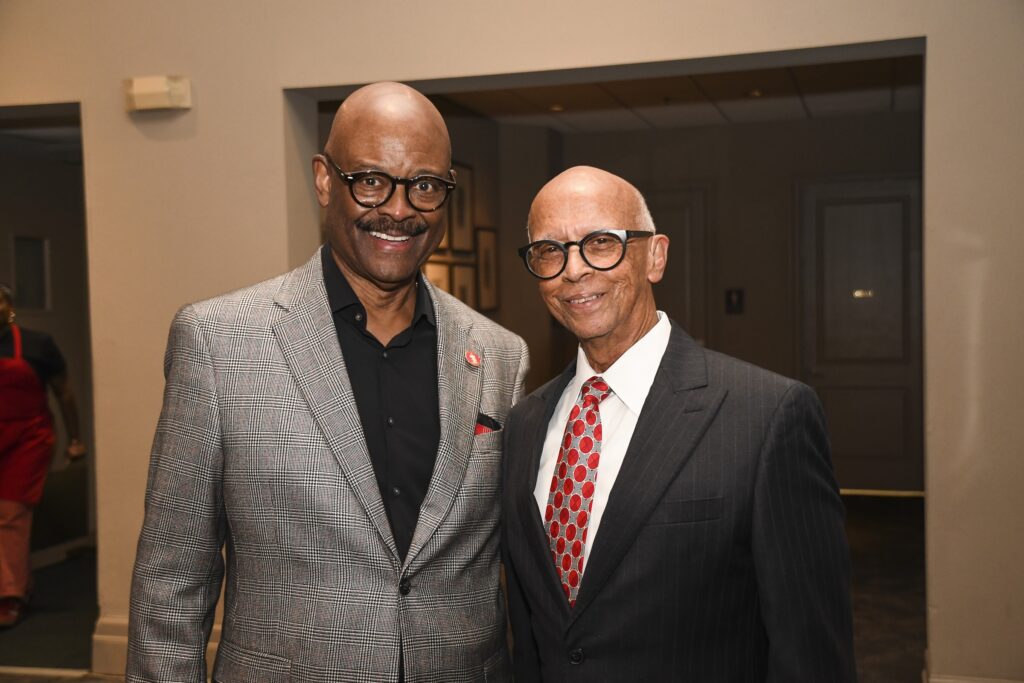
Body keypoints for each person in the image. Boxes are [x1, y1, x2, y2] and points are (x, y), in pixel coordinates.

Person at [127, 82, 528, 683]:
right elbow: (170, 585)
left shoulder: (500, 357)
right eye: (371, 179)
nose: (398, 209)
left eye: (424, 185)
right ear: (323, 179)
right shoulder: (218, 343)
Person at [501, 166, 856, 681]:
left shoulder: (767, 415)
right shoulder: (525, 425)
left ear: (656, 256)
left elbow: (812, 652)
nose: (573, 269)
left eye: (601, 243)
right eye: (549, 251)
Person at [0, 283, 87, 628]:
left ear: (9, 306)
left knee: (10, 512)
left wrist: (75, 438)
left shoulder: (38, 345)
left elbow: (64, 392)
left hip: (28, 438)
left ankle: (9, 596)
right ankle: (18, 581)